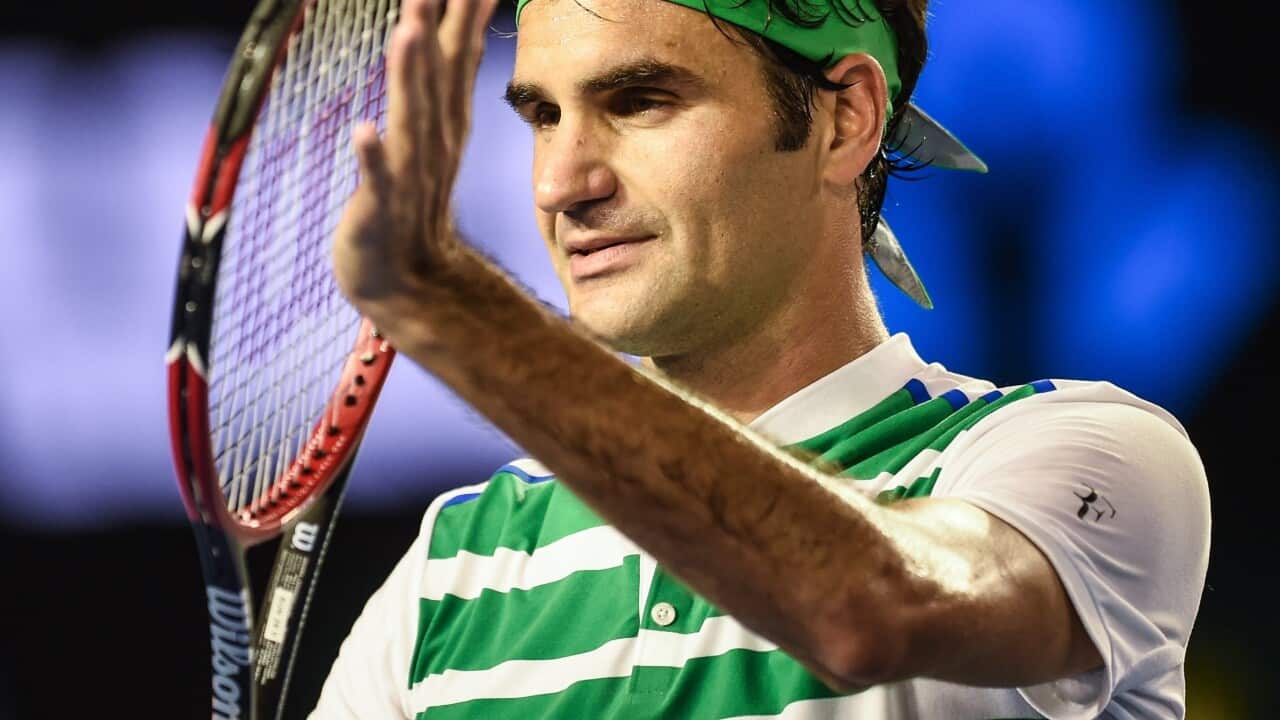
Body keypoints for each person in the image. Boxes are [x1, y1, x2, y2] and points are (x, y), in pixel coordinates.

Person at [312, 0, 1211, 715]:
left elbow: (871, 607)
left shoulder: (1082, 455)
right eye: (544, 116)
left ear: (846, 119)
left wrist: (462, 313)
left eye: (640, 101)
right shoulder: (455, 564)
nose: (560, 184)